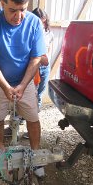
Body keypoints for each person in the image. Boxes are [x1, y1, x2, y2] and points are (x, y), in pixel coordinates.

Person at [0, 0, 46, 177]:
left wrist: (23, 85)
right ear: (2, 4)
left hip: (25, 79)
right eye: (12, 10)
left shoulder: (34, 23)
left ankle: (36, 156)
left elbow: (36, 58)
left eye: (23, 10)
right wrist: (5, 86)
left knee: (33, 118)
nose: (18, 16)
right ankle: (0, 150)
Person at [23, 8, 54, 139]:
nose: (41, 23)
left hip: (44, 68)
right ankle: (22, 120)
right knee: (27, 95)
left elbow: (48, 54)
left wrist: (46, 61)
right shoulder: (28, 33)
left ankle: (33, 122)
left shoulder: (49, 34)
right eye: (39, 20)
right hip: (33, 68)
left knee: (39, 95)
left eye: (43, 20)